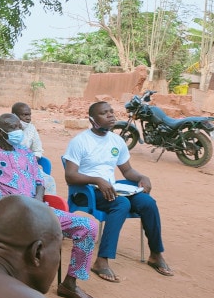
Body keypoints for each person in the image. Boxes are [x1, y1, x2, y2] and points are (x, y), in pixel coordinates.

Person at [0, 113, 99, 298]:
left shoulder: (26, 153)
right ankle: (17, 287)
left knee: (88, 226)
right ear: (0, 131)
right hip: (9, 213)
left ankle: (70, 283)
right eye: (13, 128)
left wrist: (38, 199)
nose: (18, 131)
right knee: (33, 239)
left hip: (37, 210)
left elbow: (40, 181)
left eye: (19, 127)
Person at [63, 101, 173, 282]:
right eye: (104, 113)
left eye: (111, 112)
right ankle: (102, 261)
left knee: (148, 203)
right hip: (87, 191)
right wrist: (97, 180)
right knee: (121, 203)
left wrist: (141, 177)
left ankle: (155, 254)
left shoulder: (117, 141)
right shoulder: (80, 141)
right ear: (92, 119)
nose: (110, 115)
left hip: (111, 189)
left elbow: (127, 171)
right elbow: (70, 176)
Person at [0, 102, 57, 194]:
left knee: (48, 181)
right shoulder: (3, 130)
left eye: (29, 115)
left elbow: (37, 150)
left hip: (28, 166)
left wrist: (27, 162)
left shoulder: (31, 129)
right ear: (14, 115)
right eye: (25, 115)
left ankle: (45, 206)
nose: (28, 118)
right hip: (6, 167)